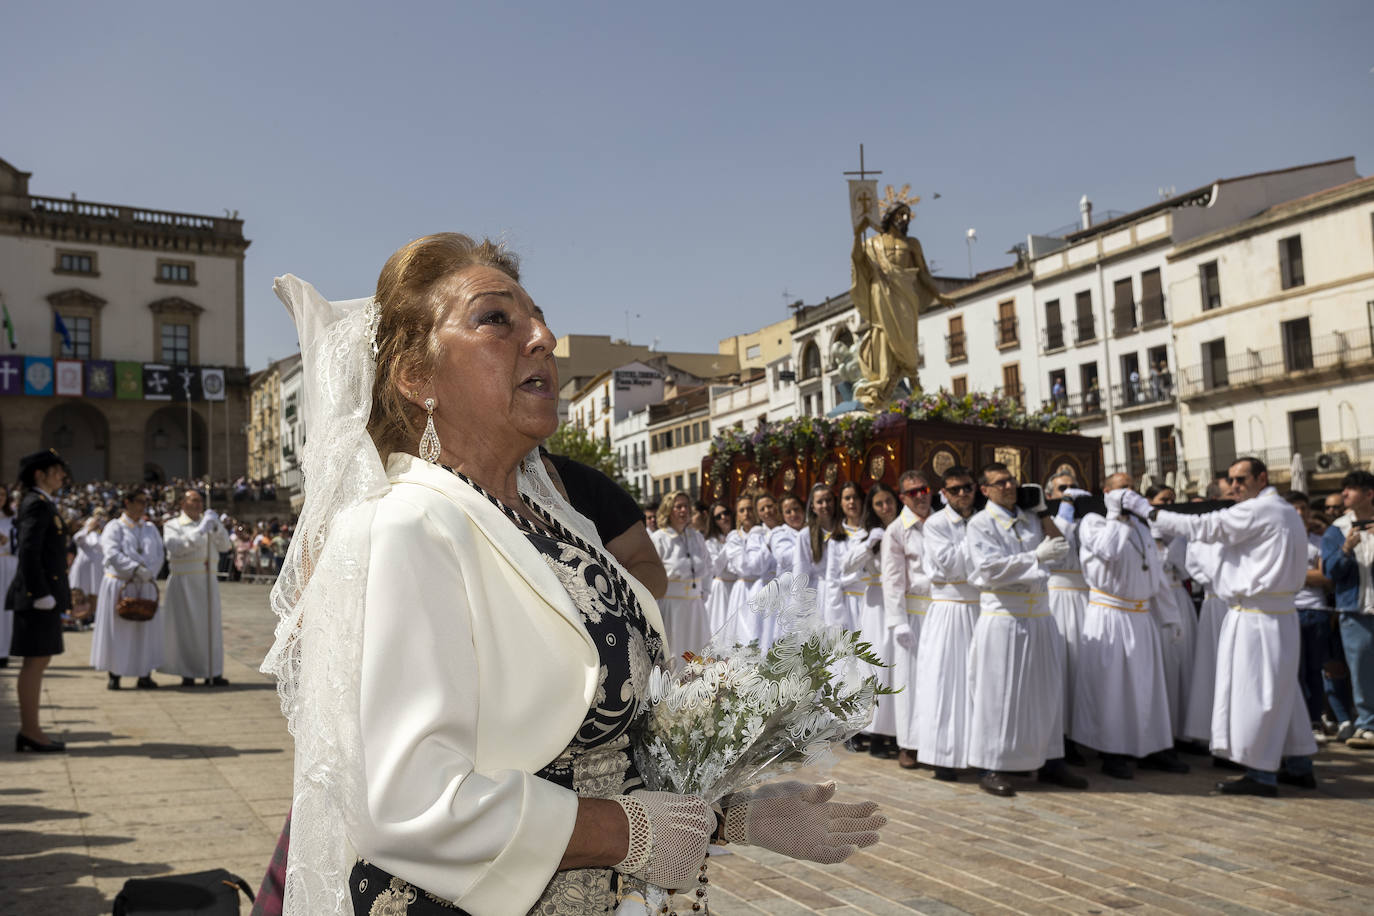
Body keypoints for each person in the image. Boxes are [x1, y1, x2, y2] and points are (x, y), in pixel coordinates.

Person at [263, 235, 883, 915]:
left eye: (538, 317)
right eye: (496, 319)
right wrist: (625, 832)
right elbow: (404, 800)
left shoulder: (558, 527)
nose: (544, 338)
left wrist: (730, 813)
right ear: (416, 376)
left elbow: (595, 745)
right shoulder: (406, 526)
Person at [1151, 457, 1317, 795]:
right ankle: (1299, 764)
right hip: (1276, 613)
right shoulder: (1284, 510)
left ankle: (1260, 774)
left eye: (1241, 479)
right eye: (1231, 479)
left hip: (1257, 615)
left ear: (1261, 478)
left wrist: (1148, 511)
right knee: (1283, 690)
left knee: (1256, 691)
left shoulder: (1260, 509)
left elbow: (1203, 527)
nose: (1235, 485)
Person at [965, 462, 1087, 797]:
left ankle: (1049, 758)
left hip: (1040, 616)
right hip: (1005, 617)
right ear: (985, 489)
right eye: (999, 482)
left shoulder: (1033, 518)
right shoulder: (981, 523)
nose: (1008, 486)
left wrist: (1045, 512)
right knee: (999, 693)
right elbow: (989, 569)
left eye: (1011, 481)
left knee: (1045, 691)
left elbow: (1062, 550)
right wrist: (1035, 556)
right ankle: (993, 764)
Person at [1071, 474, 1187, 779]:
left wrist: (1170, 616)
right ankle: (1112, 750)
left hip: (1141, 617)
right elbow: (1109, 551)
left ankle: (1152, 747)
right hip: (1111, 614)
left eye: (1132, 489)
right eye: (1122, 488)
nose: (1129, 494)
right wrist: (1116, 514)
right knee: (1113, 689)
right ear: (1106, 491)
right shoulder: (1093, 522)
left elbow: (1157, 576)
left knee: (1146, 688)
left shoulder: (1142, 528)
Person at [849, 199, 953, 409]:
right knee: (885, 335)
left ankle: (911, 382)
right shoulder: (872, 243)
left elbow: (923, 274)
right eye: (900, 214)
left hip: (905, 294)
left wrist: (939, 296)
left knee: (907, 339)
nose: (905, 218)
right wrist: (858, 233)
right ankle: (891, 386)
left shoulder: (912, 243)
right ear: (890, 216)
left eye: (907, 214)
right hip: (881, 293)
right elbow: (857, 259)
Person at [915, 467, 982, 782]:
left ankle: (977, 752)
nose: (962, 495)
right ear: (945, 493)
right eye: (954, 490)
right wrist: (978, 550)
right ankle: (942, 755)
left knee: (977, 683)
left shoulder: (983, 519)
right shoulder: (937, 524)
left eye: (967, 488)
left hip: (979, 609)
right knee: (945, 682)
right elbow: (952, 565)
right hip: (949, 611)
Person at [8, 449, 72, 752]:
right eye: (56, 471)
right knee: (34, 662)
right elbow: (30, 553)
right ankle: (30, 731)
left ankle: (30, 729)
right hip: (37, 597)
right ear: (39, 474)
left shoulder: (43, 502)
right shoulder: (36, 504)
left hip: (44, 594)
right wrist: (41, 593)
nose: (62, 476)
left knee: (39, 660)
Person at [880, 470, 932, 769]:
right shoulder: (897, 530)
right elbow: (893, 578)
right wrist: (898, 620)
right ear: (903, 497)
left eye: (924, 489)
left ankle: (937, 740)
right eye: (913, 492)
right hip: (912, 612)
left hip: (941, 609)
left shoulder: (941, 522)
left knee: (940, 676)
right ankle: (909, 743)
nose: (921, 495)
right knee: (910, 679)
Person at [91, 489, 166, 690]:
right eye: (139, 501)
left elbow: (159, 553)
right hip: (121, 584)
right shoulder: (115, 527)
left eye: (145, 502)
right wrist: (134, 569)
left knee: (144, 629)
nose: (143, 506)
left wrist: (149, 572)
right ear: (128, 502)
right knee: (120, 629)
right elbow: (111, 553)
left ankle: (144, 673)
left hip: (145, 584)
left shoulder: (150, 528)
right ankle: (115, 673)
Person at [1322, 469, 1374, 750]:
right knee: (1361, 668)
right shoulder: (1338, 529)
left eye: (1350, 489)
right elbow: (1330, 571)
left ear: (1369, 494)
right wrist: (1346, 549)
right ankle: (1367, 724)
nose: (1344, 494)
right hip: (1354, 610)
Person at [161, 489, 235, 687]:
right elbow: (175, 547)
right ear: (182, 503)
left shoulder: (208, 522)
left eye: (200, 501)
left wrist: (217, 527)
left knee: (210, 627)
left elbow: (225, 546)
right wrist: (200, 531)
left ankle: (213, 670)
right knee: (186, 628)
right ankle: (188, 671)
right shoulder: (172, 525)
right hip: (184, 581)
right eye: (193, 500)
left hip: (207, 579)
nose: (198, 504)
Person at [849, 482, 900, 759]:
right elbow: (847, 565)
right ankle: (875, 730)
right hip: (877, 602)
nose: (885, 508)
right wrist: (869, 545)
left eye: (888, 502)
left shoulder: (905, 527)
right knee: (877, 666)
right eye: (879, 504)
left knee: (898, 665)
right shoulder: (867, 534)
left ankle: (895, 730)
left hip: (901, 601)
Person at [1045, 470, 1090, 764]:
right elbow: (1056, 552)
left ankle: (1082, 732)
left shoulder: (1089, 522)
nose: (1070, 493)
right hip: (1058, 595)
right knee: (1061, 667)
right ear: (1051, 495)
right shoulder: (1048, 519)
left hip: (1085, 597)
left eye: (1074, 488)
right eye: (1063, 489)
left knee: (1083, 670)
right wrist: (1064, 512)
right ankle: (1059, 735)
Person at [650, 490, 711, 663]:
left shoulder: (696, 537)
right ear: (669, 509)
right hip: (671, 606)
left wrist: (704, 591)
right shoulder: (660, 538)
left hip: (695, 605)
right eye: (678, 506)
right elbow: (653, 572)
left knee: (698, 649)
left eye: (686, 506)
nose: (683, 510)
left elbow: (708, 565)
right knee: (676, 650)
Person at [703, 501, 736, 638]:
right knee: (721, 627)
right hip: (721, 587)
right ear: (714, 521)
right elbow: (716, 567)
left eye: (726, 513)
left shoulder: (739, 535)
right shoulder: (710, 542)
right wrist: (730, 544)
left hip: (738, 586)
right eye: (718, 516)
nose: (723, 517)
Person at [0, 482, 16, 669]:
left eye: (3, 495)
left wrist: (5, 542)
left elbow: (19, 543)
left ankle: (3, 652)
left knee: (5, 611)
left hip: (7, 564)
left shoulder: (12, 519)